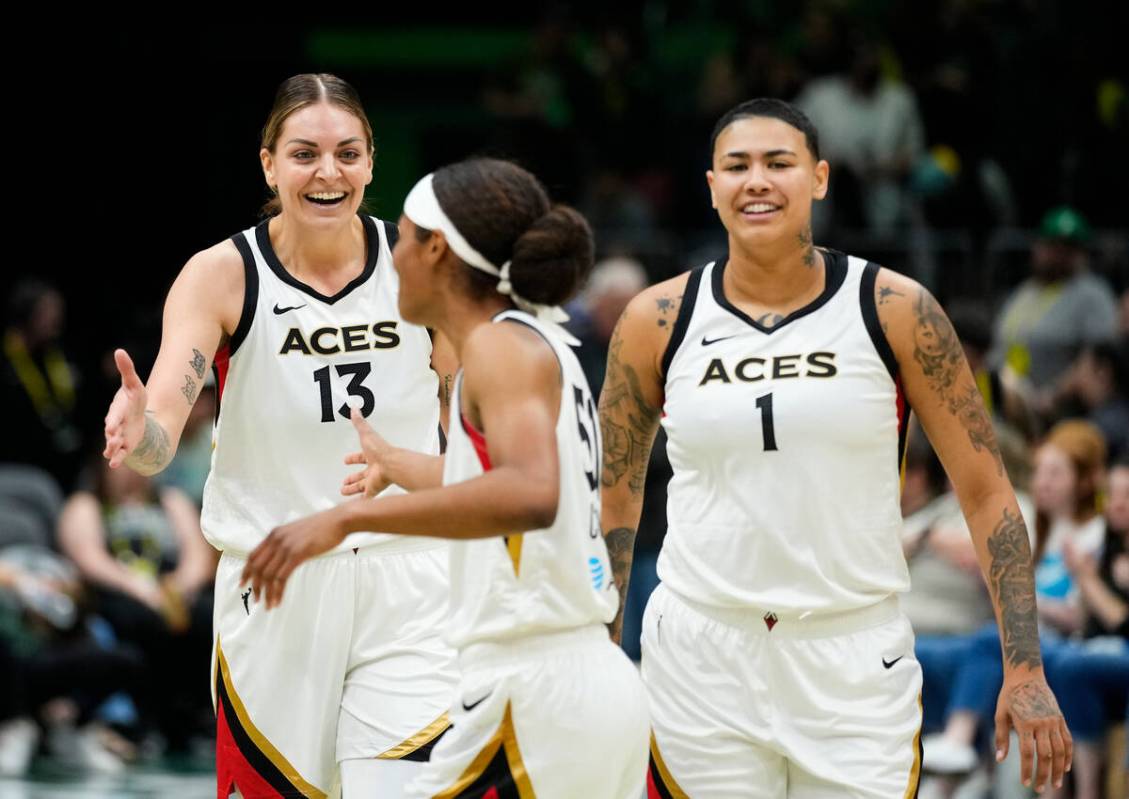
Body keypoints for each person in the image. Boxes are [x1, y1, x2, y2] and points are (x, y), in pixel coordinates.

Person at [599, 98, 1071, 797]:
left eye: (777, 163)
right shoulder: (654, 319)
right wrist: (601, 647)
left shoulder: (895, 309)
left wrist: (1024, 667)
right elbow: (616, 496)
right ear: (710, 187)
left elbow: (985, 489)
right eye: (736, 166)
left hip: (851, 654)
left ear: (818, 178)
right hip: (700, 655)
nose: (755, 180)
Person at [241, 158, 650, 799]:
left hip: (536, 691)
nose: (390, 254)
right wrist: (399, 466)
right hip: (575, 687)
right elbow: (499, 478)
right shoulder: (532, 338)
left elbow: (527, 494)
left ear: (435, 249)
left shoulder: (496, 348)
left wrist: (344, 518)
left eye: (401, 237)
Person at [101, 73, 459, 798]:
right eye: (304, 154)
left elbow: (468, 427)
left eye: (346, 153)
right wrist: (138, 434)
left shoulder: (422, 264)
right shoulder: (222, 274)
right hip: (275, 580)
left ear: (370, 160)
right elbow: (162, 432)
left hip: (410, 576)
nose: (328, 172)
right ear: (268, 163)